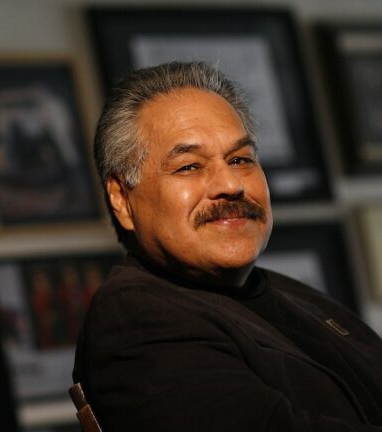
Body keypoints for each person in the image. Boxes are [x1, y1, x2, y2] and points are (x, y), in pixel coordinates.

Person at [73, 61, 382, 431]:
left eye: (240, 160)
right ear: (122, 199)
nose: (230, 184)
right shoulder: (136, 320)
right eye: (189, 166)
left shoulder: (285, 293)